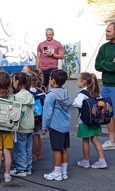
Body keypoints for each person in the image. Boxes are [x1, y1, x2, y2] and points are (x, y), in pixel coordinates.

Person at [72, 72, 107, 169]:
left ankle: (86, 161)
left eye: (78, 80)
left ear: (83, 82)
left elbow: (76, 104)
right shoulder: (96, 93)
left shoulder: (82, 94)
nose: (77, 82)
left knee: (85, 141)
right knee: (96, 140)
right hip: (95, 120)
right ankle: (102, 160)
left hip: (84, 121)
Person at [42, 69, 71, 181]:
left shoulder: (51, 95)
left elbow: (47, 113)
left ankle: (57, 173)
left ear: (53, 81)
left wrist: (44, 127)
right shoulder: (66, 92)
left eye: (49, 78)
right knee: (64, 148)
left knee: (56, 149)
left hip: (55, 125)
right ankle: (64, 172)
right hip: (65, 125)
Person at [95, 22, 115, 150]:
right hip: (106, 85)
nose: (106, 33)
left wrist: (105, 64)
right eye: (106, 30)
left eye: (109, 31)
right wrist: (109, 63)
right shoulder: (103, 47)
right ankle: (112, 140)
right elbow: (97, 65)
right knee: (108, 114)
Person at [10, 72, 35, 177]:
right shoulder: (30, 95)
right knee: (28, 148)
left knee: (20, 149)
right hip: (30, 125)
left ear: (17, 82)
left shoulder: (16, 97)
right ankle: (28, 168)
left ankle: (21, 169)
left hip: (21, 126)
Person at [27, 72, 46, 162]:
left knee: (34, 136)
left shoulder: (27, 92)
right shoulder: (40, 91)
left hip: (32, 116)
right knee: (38, 135)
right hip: (40, 115)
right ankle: (39, 153)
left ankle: (33, 154)